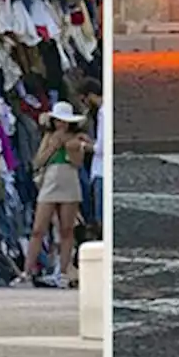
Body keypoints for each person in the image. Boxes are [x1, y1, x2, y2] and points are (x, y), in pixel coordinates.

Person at [12, 100, 90, 288]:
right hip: (50, 181)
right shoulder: (49, 137)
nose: (60, 125)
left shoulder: (78, 137)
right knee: (38, 229)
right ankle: (27, 272)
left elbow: (78, 163)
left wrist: (72, 147)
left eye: (63, 121)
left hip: (69, 180)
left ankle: (63, 272)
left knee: (66, 229)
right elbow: (37, 162)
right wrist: (53, 147)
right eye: (57, 121)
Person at [79, 78, 104, 238]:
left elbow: (101, 148)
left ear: (90, 96)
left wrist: (83, 146)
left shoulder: (102, 112)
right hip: (99, 169)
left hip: (100, 171)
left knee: (100, 216)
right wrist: (90, 141)